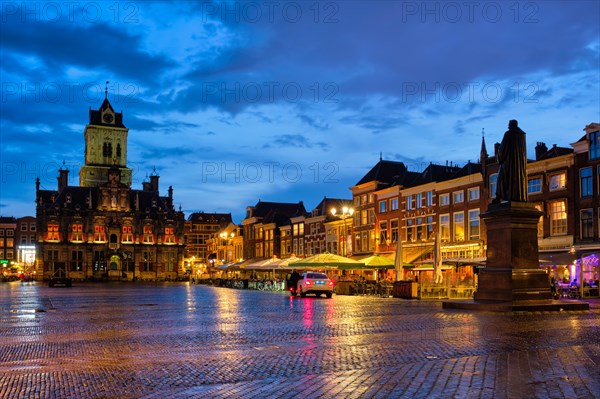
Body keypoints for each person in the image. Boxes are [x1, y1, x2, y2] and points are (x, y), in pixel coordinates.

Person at [494, 119, 528, 203]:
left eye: (508, 124)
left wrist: (499, 155)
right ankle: (518, 196)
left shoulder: (508, 134)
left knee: (500, 178)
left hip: (508, 162)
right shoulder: (522, 136)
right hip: (519, 165)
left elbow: (502, 149)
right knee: (518, 179)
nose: (507, 126)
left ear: (511, 125)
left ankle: (499, 197)